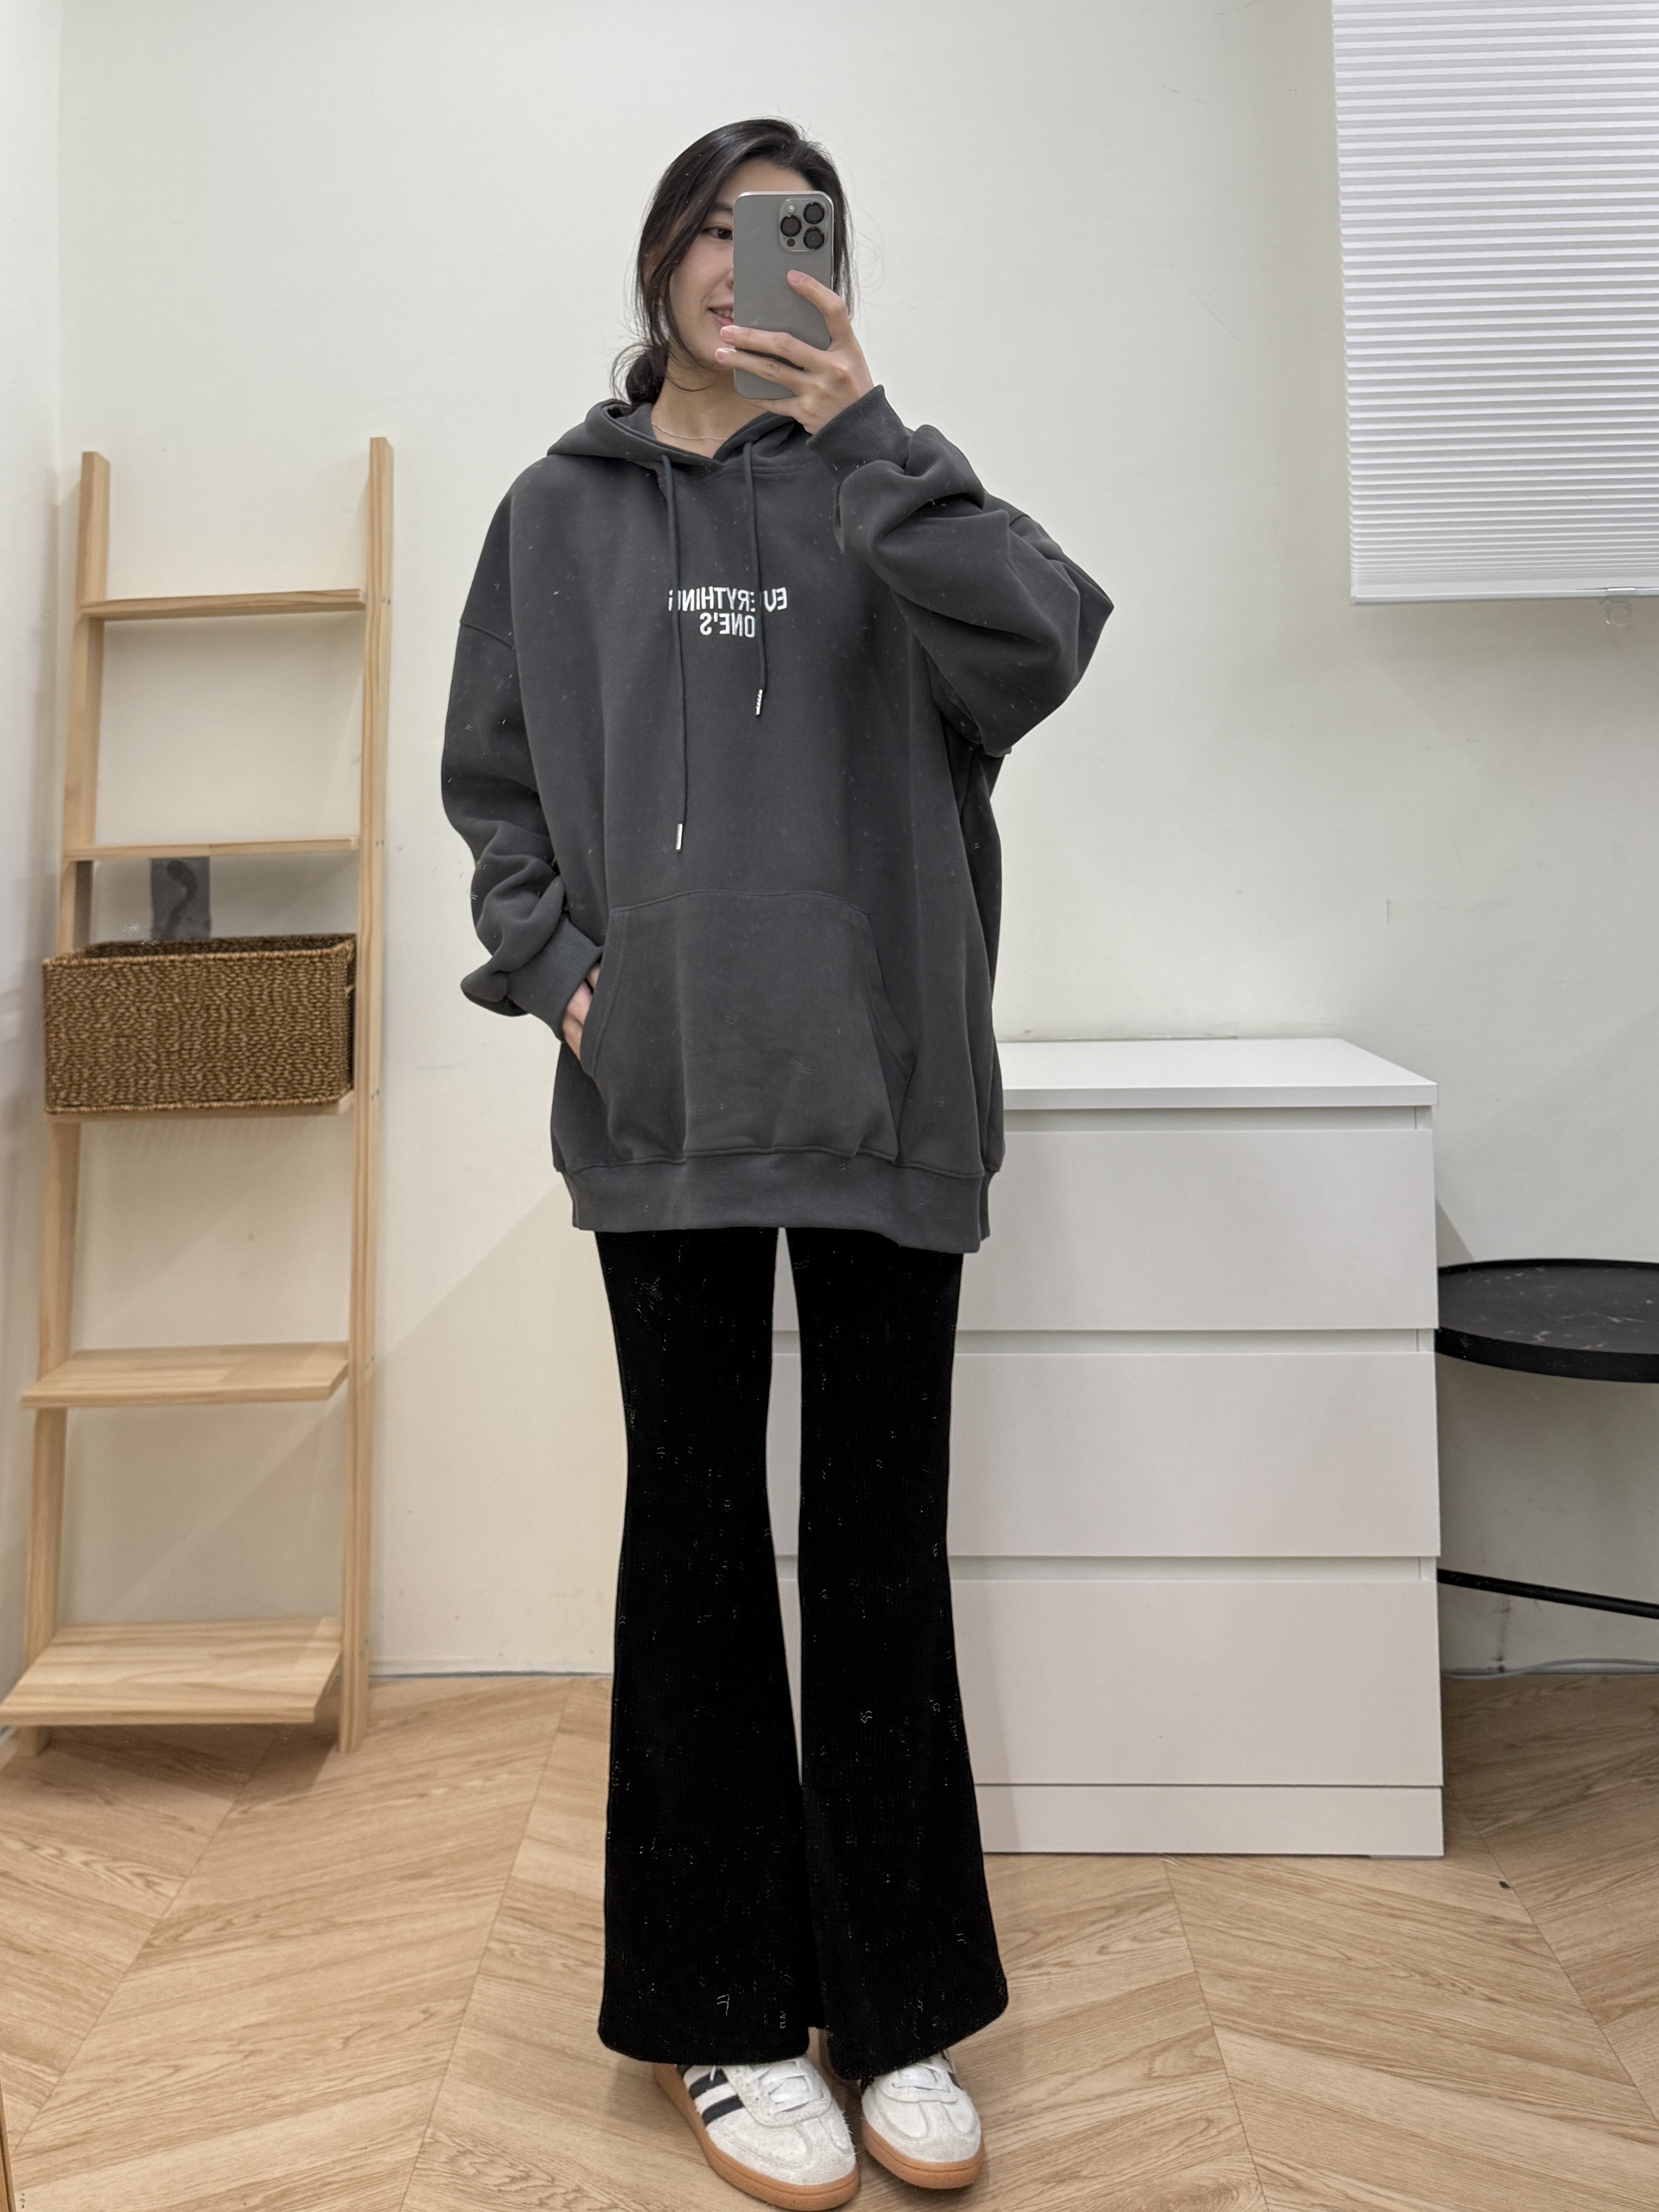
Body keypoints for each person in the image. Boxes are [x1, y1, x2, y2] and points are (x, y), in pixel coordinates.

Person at [442, 117, 1109, 2209]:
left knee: (883, 1545)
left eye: (793, 237)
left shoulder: (895, 485)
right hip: (667, 1105)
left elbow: (1043, 648)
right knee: (701, 1541)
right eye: (720, 235)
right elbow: (495, 794)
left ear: (827, 264)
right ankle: (722, 2011)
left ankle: (895, 2002)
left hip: (885, 1093)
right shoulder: (555, 512)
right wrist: (571, 985)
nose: (750, 272)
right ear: (663, 257)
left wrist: (875, 438)